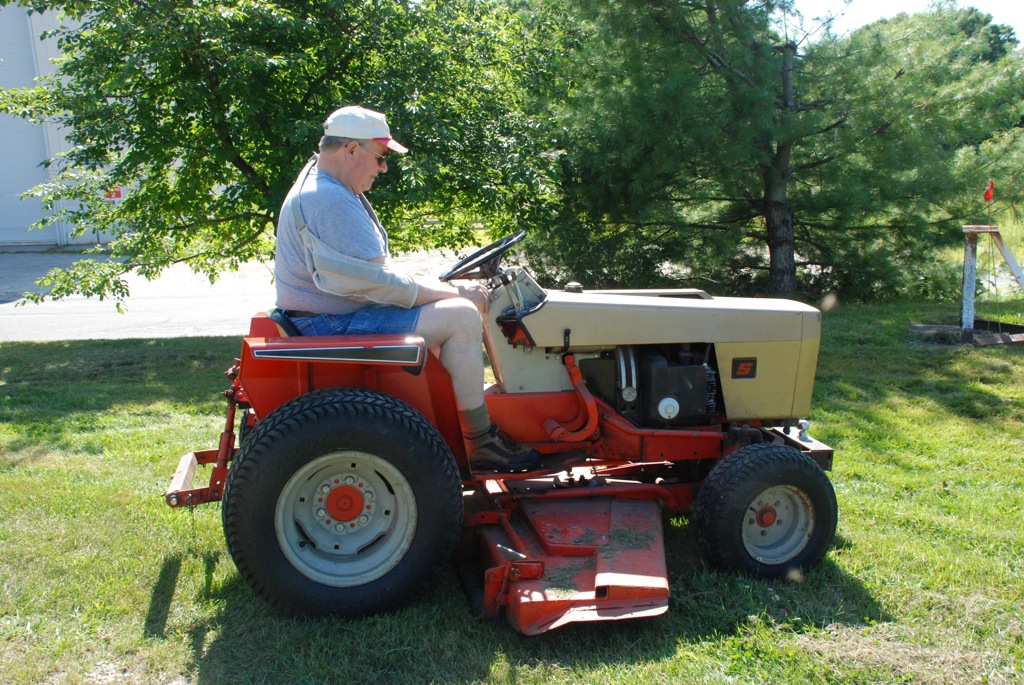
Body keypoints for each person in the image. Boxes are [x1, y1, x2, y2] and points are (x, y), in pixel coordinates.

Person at [274, 105, 539, 473]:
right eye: (380, 157)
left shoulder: (322, 184)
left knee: (450, 305)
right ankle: (479, 441)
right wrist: (455, 294)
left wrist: (441, 288)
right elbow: (381, 285)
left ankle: (462, 416)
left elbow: (372, 276)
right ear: (351, 149)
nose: (383, 168)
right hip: (329, 324)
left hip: (328, 316)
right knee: (461, 316)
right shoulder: (328, 199)